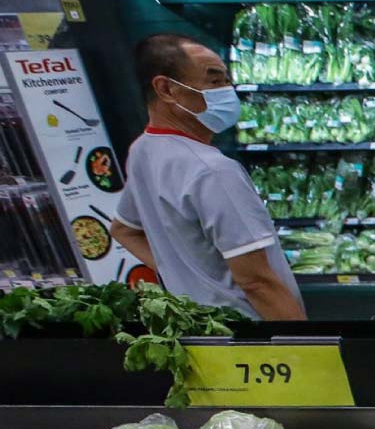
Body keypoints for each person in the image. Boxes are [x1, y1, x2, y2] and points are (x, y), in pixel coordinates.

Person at [109, 33, 306, 321]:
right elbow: (257, 282)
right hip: (251, 339)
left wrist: (185, 275)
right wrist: (307, 348)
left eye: (227, 80)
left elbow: (124, 229)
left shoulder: (143, 150)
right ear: (166, 89)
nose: (227, 91)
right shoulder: (213, 170)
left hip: (199, 329)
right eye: (214, 81)